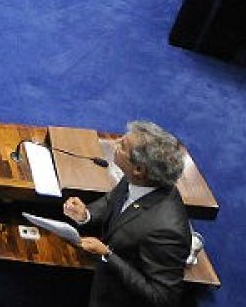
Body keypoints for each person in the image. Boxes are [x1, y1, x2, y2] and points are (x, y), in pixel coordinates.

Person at [62, 121, 191, 307]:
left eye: (122, 146)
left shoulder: (168, 232)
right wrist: (86, 215)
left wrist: (107, 254)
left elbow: (162, 298)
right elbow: (112, 202)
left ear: (139, 169)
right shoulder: (137, 180)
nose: (114, 144)